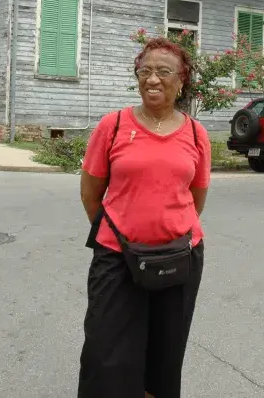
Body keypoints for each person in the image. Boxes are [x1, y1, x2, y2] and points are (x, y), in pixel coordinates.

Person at [77, 37, 211, 398]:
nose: (153, 79)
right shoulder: (114, 125)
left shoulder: (197, 134)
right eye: (145, 70)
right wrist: (125, 230)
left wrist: (163, 229)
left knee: (164, 359)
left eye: (164, 71)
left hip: (179, 258)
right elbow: (91, 194)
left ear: (181, 80)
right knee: (105, 354)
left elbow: (195, 200)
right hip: (117, 258)